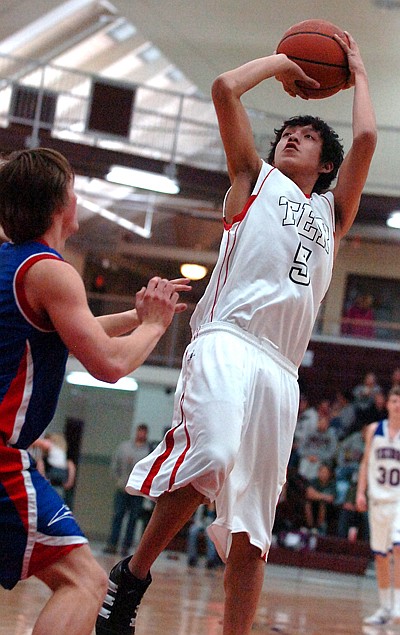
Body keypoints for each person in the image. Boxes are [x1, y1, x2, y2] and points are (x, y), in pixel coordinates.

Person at [96, 31, 376, 635]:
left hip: (281, 370)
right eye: (285, 135)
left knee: (252, 531)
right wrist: (286, 64)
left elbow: (368, 138)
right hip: (228, 338)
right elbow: (226, 89)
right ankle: (133, 576)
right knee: (214, 454)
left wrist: (356, 70)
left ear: (326, 165)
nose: (289, 140)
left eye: (303, 139)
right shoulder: (253, 179)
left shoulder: (333, 214)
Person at [0, 147, 191, 635]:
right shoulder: (50, 271)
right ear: (61, 202)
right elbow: (109, 365)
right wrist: (155, 326)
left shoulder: (14, 265)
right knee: (85, 582)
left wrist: (137, 314)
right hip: (2, 458)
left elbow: (68, 329)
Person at [356, 386, 400, 626]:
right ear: (387, 404)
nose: (397, 404)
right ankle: (385, 608)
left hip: (398, 501)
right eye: (394, 400)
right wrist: (360, 492)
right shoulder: (374, 430)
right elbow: (364, 464)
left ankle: (398, 605)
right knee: (381, 556)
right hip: (377, 500)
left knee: (397, 545)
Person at [104, 424, 151, 557]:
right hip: (122, 488)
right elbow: (115, 463)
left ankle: (126, 546)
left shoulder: (148, 450)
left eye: (144, 432)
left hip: (137, 491)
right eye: (139, 431)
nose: (141, 434)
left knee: (133, 518)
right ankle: (112, 544)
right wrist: (118, 479)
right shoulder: (124, 447)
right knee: (117, 515)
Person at [297, 413, 337, 481]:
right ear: (318, 422)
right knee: (304, 466)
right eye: (321, 422)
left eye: (325, 423)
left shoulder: (331, 436)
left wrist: (318, 457)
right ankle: (301, 483)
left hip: (321, 459)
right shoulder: (310, 433)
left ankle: (312, 484)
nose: (323, 424)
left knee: (315, 470)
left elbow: (332, 452)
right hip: (307, 457)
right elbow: (300, 448)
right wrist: (308, 456)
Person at [304, 462, 336, 535]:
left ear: (329, 474)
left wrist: (317, 495)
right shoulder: (313, 481)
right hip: (313, 504)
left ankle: (320, 527)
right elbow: (309, 494)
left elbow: (331, 498)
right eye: (321, 471)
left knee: (322, 504)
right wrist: (323, 496)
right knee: (307, 504)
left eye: (325, 472)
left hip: (329, 507)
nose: (323, 474)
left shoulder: (332, 484)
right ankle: (310, 527)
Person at [187, 502, 221, 569]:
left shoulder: (219, 506)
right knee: (193, 531)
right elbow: (198, 519)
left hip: (213, 526)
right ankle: (192, 558)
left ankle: (211, 560)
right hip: (201, 524)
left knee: (210, 535)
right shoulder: (202, 506)